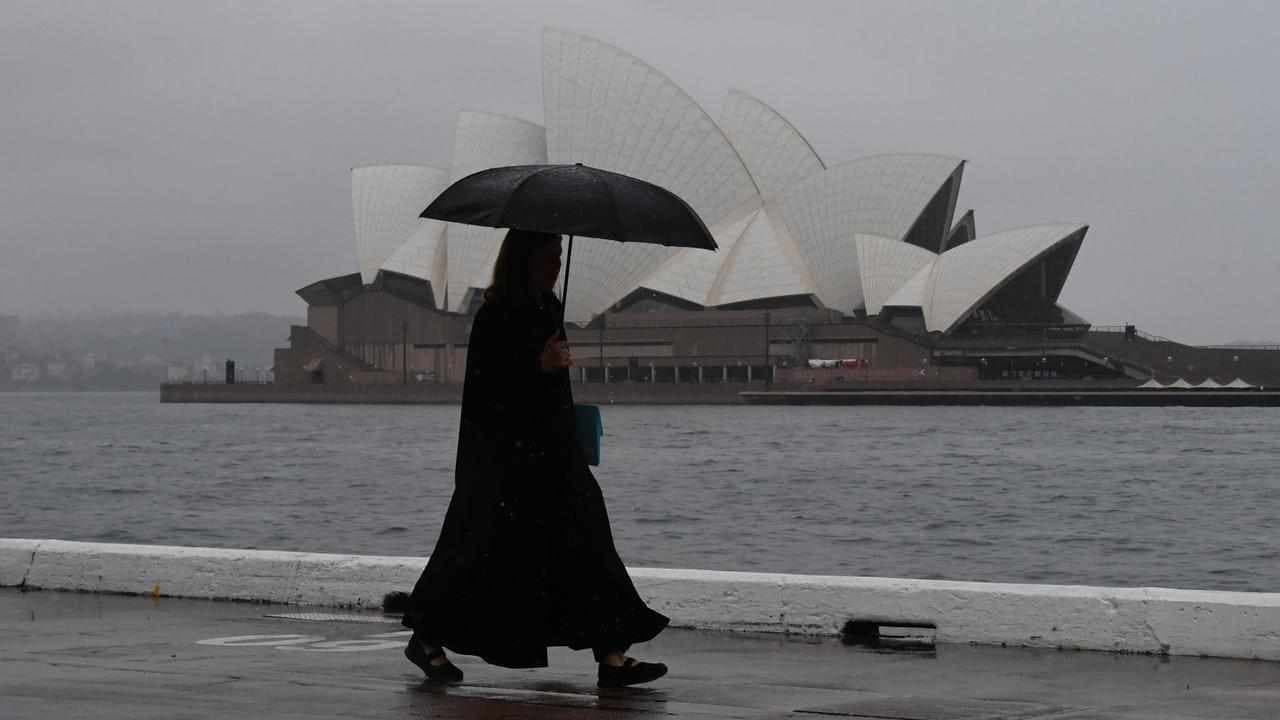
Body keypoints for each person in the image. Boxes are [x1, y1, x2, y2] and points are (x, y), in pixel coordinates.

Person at [402, 229, 670, 688]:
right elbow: (488, 390)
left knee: (588, 542)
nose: (557, 266)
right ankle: (426, 636)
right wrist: (537, 366)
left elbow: (549, 391)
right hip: (505, 463)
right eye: (550, 257)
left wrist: (556, 373)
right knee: (476, 551)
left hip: (554, 458)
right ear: (525, 260)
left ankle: (612, 653)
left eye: (560, 256)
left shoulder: (549, 310)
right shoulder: (495, 315)